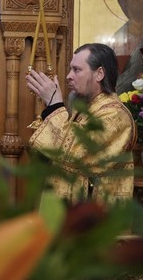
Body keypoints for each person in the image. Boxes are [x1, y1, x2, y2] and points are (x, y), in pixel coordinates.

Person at [26, 43, 136, 203]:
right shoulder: (84, 110)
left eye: (76, 70)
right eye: (70, 69)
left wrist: (55, 105)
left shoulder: (115, 114)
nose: (68, 76)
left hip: (96, 211)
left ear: (99, 74)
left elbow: (76, 152)